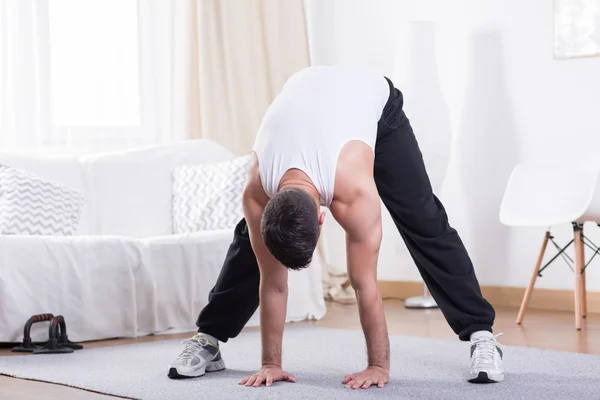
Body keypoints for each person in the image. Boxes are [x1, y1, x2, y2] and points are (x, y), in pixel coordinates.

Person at [167, 64, 504, 388]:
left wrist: (377, 367)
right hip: (308, 94)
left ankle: (481, 336)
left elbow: (364, 283)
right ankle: (209, 339)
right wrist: (271, 364)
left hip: (372, 100)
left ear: (323, 216)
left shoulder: (353, 191)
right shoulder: (256, 192)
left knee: (423, 218)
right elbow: (273, 283)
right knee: (252, 242)